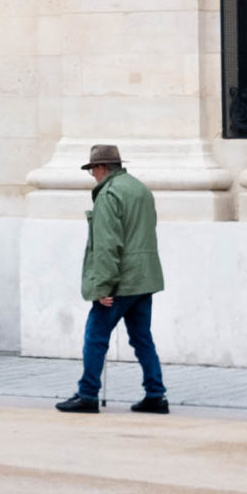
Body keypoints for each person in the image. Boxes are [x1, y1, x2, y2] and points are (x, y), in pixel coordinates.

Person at [56, 145, 167, 414]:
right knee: (142, 339)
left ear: (103, 168)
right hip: (144, 278)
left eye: (93, 169)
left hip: (121, 282)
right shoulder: (140, 189)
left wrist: (102, 286)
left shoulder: (108, 194)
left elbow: (107, 245)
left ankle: (88, 394)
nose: (92, 174)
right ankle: (156, 395)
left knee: (95, 336)